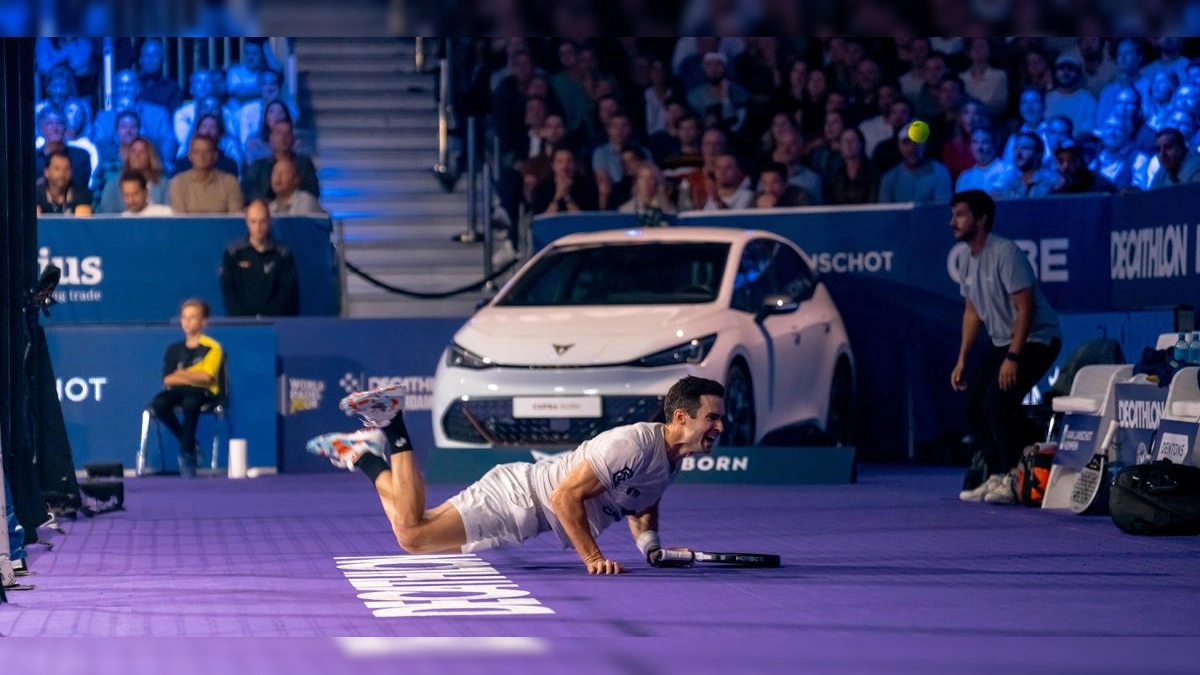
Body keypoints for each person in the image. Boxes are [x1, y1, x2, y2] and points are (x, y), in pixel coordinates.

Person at [306, 375, 727, 574]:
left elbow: (641, 498)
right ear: (680, 417)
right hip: (520, 497)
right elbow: (564, 498)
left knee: (420, 533)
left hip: (527, 515)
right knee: (412, 534)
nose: (720, 427)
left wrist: (651, 547)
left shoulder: (669, 459)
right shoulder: (631, 443)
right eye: (712, 418)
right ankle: (392, 424)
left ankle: (360, 455)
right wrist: (593, 558)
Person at [950, 190, 1062, 504]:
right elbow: (972, 312)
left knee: (997, 405)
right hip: (1002, 341)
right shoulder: (966, 260)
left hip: (1037, 339)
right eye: (953, 215)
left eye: (960, 215)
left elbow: (1025, 308)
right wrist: (962, 359)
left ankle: (1016, 477)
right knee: (974, 407)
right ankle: (999, 474)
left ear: (981, 218)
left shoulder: (1006, 252)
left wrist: (1013, 357)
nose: (953, 222)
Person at [147, 299, 224, 479]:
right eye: (184, 317)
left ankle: (185, 454)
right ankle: (190, 444)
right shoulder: (174, 349)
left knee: (191, 403)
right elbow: (168, 378)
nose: (187, 321)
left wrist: (182, 373)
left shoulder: (212, 347)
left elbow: (207, 377)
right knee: (159, 404)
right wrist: (191, 374)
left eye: (193, 317)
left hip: (204, 392)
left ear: (203, 322)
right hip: (178, 390)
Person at [219, 200, 300, 316]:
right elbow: (229, 292)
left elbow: (286, 293)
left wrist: (265, 317)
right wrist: (243, 319)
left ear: (269, 221)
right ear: (247, 222)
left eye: (262, 221)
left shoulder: (283, 254)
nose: (258, 227)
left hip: (275, 323)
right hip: (240, 324)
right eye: (253, 222)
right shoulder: (233, 253)